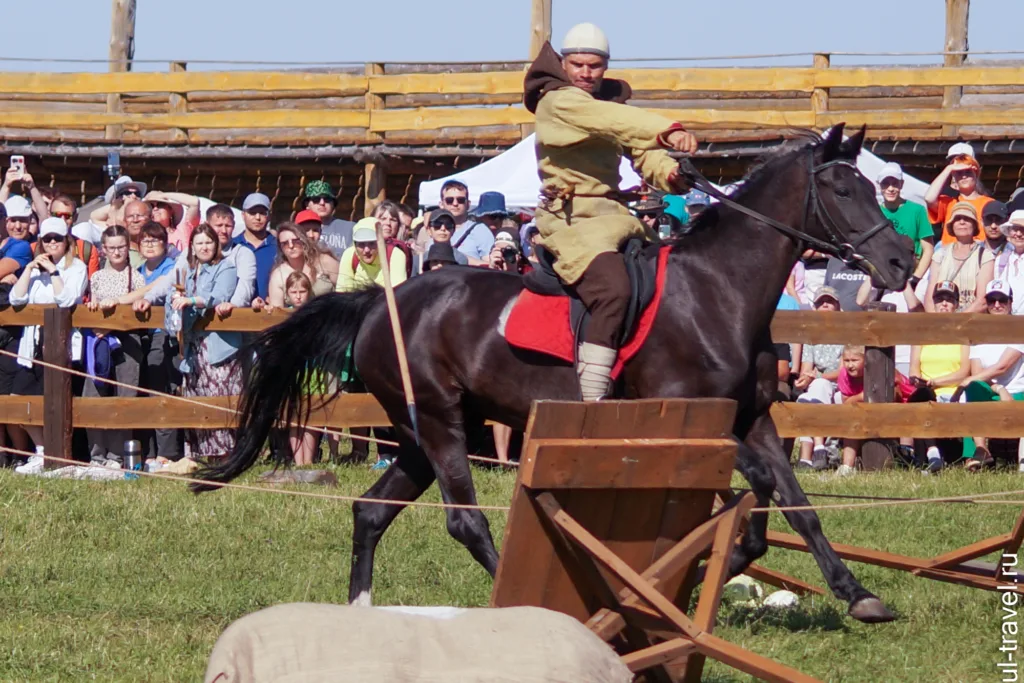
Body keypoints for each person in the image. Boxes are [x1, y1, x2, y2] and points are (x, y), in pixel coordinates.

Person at [525, 22, 696, 400]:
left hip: (616, 218)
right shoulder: (558, 101)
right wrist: (669, 129)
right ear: (563, 64)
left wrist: (671, 172)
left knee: (674, 278)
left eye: (595, 66)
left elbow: (642, 150)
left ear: (605, 66)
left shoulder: (606, 105)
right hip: (570, 222)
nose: (586, 73)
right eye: (578, 64)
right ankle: (592, 400)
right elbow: (614, 122)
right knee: (613, 289)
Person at [9, 218, 88, 474]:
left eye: (57, 238)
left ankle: (59, 454)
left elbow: (67, 299)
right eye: (46, 239)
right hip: (32, 344)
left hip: (61, 342)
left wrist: (54, 273)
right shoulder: (34, 272)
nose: (51, 243)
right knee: (18, 400)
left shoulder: (76, 267)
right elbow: (16, 299)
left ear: (67, 242)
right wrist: (30, 269)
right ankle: (41, 451)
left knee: (56, 400)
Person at [171, 224, 241, 460]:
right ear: (192, 246)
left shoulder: (226, 266)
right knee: (197, 397)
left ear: (216, 244)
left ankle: (226, 455)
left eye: (208, 242)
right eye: (199, 242)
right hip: (193, 348)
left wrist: (190, 300)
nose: (204, 247)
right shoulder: (189, 272)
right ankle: (203, 454)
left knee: (221, 398)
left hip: (218, 347)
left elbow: (219, 296)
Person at [83, 225, 147, 467]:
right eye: (112, 248)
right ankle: (96, 454)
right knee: (93, 396)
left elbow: (137, 311)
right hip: (99, 341)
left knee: (124, 396)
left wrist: (112, 325)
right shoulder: (96, 277)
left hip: (128, 342)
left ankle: (118, 455)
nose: (117, 252)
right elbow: (95, 304)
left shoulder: (138, 276)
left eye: (121, 246)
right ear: (104, 250)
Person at [958, 280, 1024, 472]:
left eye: (1002, 300)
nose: (997, 305)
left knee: (971, 385)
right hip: (993, 391)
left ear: (1011, 303)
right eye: (992, 300)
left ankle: (978, 455)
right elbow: (977, 373)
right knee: (973, 387)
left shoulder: (1019, 328)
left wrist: (976, 380)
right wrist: (997, 388)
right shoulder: (979, 335)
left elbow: (1002, 367)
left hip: (1017, 392)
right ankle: (981, 449)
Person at [131, 222, 182, 463]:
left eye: (155, 240)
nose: (150, 245)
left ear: (165, 243)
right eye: (145, 241)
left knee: (160, 387)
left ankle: (167, 452)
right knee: (141, 389)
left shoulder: (172, 268)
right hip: (140, 335)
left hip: (164, 335)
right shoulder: (137, 270)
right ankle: (147, 452)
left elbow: (161, 291)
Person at [907, 281, 970, 472]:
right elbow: (913, 368)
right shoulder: (922, 334)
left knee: (927, 398)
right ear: (933, 303)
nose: (944, 303)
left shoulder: (964, 334)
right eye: (940, 299)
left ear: (957, 305)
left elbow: (964, 371)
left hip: (953, 390)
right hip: (926, 390)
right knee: (921, 397)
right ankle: (932, 454)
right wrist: (920, 381)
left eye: (949, 300)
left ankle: (929, 457)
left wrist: (936, 382)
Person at [834, 345, 914, 477]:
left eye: (854, 360)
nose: (849, 365)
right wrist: (862, 396)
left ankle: (906, 459)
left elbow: (897, 394)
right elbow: (846, 403)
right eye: (846, 361)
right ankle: (847, 466)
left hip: (899, 407)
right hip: (863, 410)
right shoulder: (844, 375)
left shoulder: (882, 370)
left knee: (905, 417)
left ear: (866, 360)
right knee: (851, 417)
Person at [792, 287, 845, 470]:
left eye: (829, 301)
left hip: (839, 385)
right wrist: (804, 379)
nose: (825, 304)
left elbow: (843, 371)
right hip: (818, 386)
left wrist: (817, 376)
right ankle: (814, 453)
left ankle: (811, 453)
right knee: (807, 396)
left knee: (817, 388)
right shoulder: (811, 336)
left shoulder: (847, 333)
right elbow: (807, 368)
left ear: (838, 307)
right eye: (820, 302)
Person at [923, 202, 994, 312]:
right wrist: (936, 322)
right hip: (941, 320)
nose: (962, 222)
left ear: (974, 225)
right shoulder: (940, 255)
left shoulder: (985, 256)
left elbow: (982, 301)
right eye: (957, 219)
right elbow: (929, 298)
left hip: (971, 321)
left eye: (967, 219)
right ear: (951, 225)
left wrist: (958, 322)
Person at [255, 222, 337, 310]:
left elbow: (345, 291)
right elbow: (277, 313)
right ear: (280, 247)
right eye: (285, 243)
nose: (291, 246)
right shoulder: (278, 275)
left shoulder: (324, 261)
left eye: (295, 241)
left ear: (303, 241)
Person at [876, 163, 933, 288]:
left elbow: (928, 249)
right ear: (879, 185)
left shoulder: (917, 210)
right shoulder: (874, 211)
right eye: (885, 183)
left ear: (901, 184)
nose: (890, 188)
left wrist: (916, 279)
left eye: (895, 183)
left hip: (911, 273)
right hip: (881, 275)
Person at [925, 149, 991, 246]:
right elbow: (929, 198)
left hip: (977, 254)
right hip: (949, 253)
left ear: (976, 174)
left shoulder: (988, 203)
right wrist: (949, 169)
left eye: (968, 172)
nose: (964, 176)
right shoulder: (949, 202)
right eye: (959, 173)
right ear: (954, 177)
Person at [205, 204, 257, 315]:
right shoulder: (194, 251)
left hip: (228, 316)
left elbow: (246, 285)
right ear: (207, 225)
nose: (224, 230)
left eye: (228, 226)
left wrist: (234, 304)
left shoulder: (243, 253)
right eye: (219, 225)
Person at [336, 217, 408, 292]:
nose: (367, 250)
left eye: (372, 243)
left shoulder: (395, 255)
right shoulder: (349, 255)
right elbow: (342, 292)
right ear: (355, 244)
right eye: (361, 244)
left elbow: (398, 294)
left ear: (380, 242)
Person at [232, 193, 277, 301]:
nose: (257, 218)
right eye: (252, 213)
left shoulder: (280, 246)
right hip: (236, 312)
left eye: (262, 213)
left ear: (269, 216)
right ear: (243, 215)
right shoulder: (233, 246)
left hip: (272, 311)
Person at [441, 181, 493, 265]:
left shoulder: (480, 230)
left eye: (460, 200)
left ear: (468, 204)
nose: (455, 203)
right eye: (449, 200)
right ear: (441, 204)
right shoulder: (434, 229)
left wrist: (459, 257)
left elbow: (491, 267)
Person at [302, 180, 354, 259]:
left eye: (327, 199)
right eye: (316, 199)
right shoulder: (299, 229)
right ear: (307, 204)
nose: (322, 203)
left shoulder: (350, 228)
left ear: (333, 203)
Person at [996, 210, 1024, 314]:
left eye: (1023, 229)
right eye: (1015, 229)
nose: (1018, 234)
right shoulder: (1001, 260)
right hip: (1008, 321)